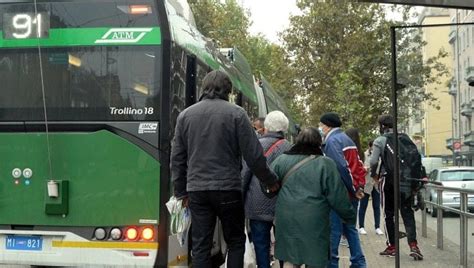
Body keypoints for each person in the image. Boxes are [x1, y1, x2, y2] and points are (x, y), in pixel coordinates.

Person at [171, 70, 280, 268]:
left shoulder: (185, 116)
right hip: (228, 188)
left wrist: (180, 192)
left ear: (204, 89)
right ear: (228, 91)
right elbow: (254, 156)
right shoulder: (237, 114)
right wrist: (270, 181)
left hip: (197, 190)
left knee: (201, 245)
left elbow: (177, 158)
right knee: (236, 242)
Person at [271, 127, 357, 267]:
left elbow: (268, 185)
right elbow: (338, 196)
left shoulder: (281, 160)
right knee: (315, 257)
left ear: (298, 140)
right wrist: (349, 217)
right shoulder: (326, 164)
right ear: (319, 142)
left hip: (286, 218)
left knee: (290, 258)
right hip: (315, 220)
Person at [242, 110, 292, 268]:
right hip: (284, 205)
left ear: (266, 127)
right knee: (283, 244)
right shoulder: (290, 148)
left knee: (261, 245)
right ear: (284, 128)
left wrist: (240, 199)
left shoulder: (255, 145)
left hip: (257, 203)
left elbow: (245, 175)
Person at [369, 114, 423, 260]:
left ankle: (392, 246)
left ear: (382, 126)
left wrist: (374, 177)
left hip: (389, 181)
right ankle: (413, 245)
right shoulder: (405, 138)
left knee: (389, 214)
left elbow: (373, 161)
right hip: (406, 182)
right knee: (407, 213)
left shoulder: (381, 140)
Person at [319, 112, 367, 268]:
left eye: (321, 125)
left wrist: (353, 189)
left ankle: (332, 263)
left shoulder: (332, 141)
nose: (320, 128)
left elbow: (340, 167)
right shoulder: (347, 139)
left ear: (327, 125)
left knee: (334, 232)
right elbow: (358, 164)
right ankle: (359, 262)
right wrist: (359, 187)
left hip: (339, 195)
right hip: (352, 192)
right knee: (350, 229)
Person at [356, 139, 383, 236]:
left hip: (375, 184)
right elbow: (360, 168)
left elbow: (381, 169)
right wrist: (365, 169)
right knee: (363, 206)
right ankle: (361, 226)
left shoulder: (380, 156)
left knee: (376, 206)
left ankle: (377, 227)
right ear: (370, 146)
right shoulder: (363, 155)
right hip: (366, 183)